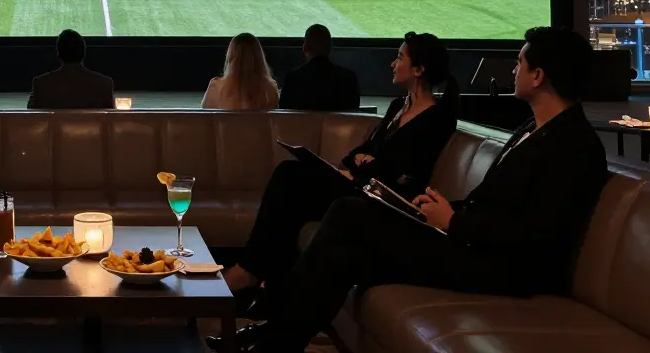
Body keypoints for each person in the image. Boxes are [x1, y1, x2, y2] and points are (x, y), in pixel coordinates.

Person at [209, 27, 606, 352]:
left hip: (501, 267)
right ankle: (276, 340)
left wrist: (453, 222)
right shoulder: (532, 130)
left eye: (520, 63)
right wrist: (446, 208)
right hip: (472, 243)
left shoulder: (574, 145)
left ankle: (271, 326)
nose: (514, 70)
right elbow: (497, 203)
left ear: (538, 76)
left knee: (348, 212)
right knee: (344, 254)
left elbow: (537, 235)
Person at [221, 32, 459, 311]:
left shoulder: (436, 118)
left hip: (385, 201)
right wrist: (362, 163)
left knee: (290, 178)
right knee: (291, 182)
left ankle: (252, 273)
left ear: (419, 69)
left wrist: (362, 167)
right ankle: (269, 286)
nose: (393, 64)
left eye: (399, 58)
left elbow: (403, 172)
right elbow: (362, 152)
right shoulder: (399, 107)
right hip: (362, 186)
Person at [279, 24, 360, 112]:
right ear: (330, 48)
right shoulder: (349, 79)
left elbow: (284, 114)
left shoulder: (293, 79)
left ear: (305, 47)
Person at [27, 29, 116, 110]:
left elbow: (31, 117)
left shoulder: (41, 84)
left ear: (58, 55)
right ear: (84, 54)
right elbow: (111, 118)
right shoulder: (105, 84)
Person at [201, 33, 279, 110]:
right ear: (259, 57)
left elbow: (205, 116)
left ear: (230, 56)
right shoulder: (270, 89)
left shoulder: (216, 87)